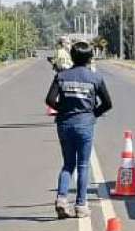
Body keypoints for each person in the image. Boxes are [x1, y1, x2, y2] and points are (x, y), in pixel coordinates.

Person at [45, 40, 112, 218]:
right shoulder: (95, 78)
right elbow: (107, 103)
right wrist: (92, 114)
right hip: (85, 124)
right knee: (83, 165)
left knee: (68, 164)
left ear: (72, 57)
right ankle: (81, 205)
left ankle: (61, 198)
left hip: (65, 124)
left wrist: (64, 110)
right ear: (90, 58)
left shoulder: (61, 76)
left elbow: (50, 100)